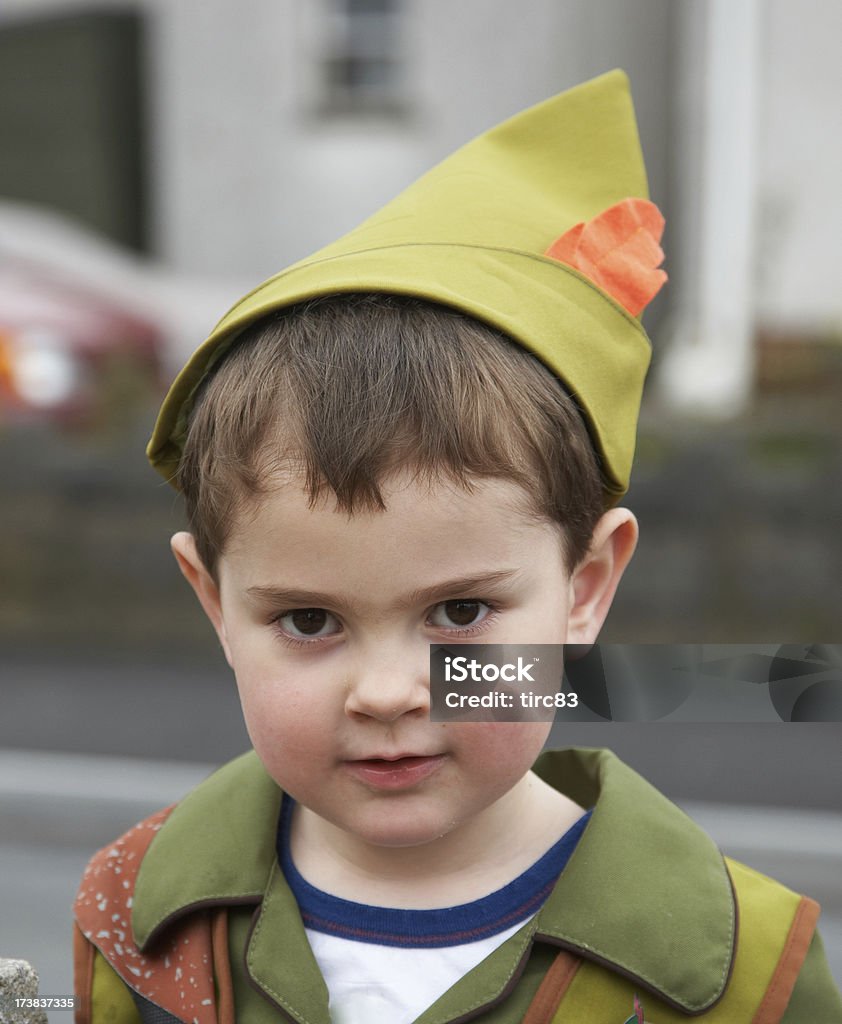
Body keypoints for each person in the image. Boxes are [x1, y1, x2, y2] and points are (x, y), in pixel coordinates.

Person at [72, 70, 842, 1024]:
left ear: (586, 586)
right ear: (212, 600)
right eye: (309, 620)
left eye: (461, 612)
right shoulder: (137, 918)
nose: (391, 692)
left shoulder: (748, 975)